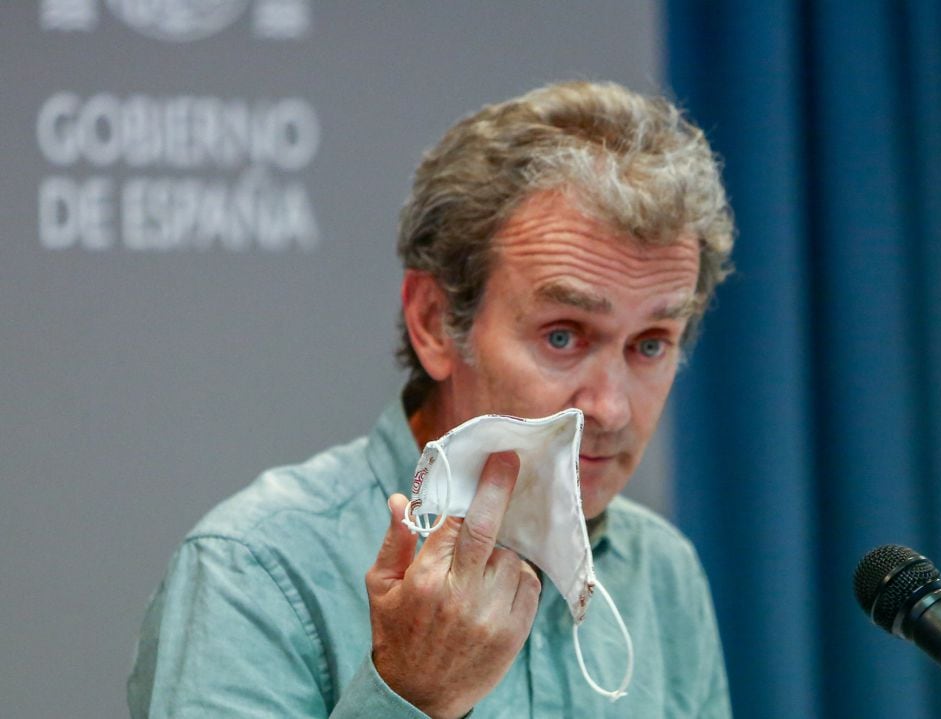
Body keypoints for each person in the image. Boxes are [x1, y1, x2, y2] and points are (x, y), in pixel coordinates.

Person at [128, 80, 735, 718]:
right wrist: (414, 696)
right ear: (435, 322)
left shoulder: (664, 572)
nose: (611, 409)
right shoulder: (252, 568)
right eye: (563, 335)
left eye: (651, 345)